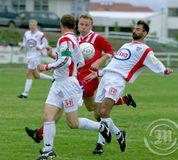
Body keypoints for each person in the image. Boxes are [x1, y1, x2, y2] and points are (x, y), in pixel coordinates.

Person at [24, 13, 136, 152]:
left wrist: (98, 61)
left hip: (88, 79)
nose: (83, 27)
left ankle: (41, 134)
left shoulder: (96, 38)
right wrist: (52, 54)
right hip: (76, 78)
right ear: (77, 25)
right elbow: (71, 60)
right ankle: (123, 102)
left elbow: (111, 52)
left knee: (62, 105)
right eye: (81, 24)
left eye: (86, 25)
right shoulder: (75, 39)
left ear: (91, 26)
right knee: (94, 109)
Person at [35, 14, 112, 160]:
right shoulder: (74, 40)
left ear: (61, 25)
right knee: (48, 116)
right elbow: (80, 61)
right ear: (75, 25)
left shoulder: (65, 39)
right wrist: (56, 61)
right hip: (59, 82)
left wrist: (46, 66)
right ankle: (48, 150)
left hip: (67, 85)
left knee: (73, 123)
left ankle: (101, 127)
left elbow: (66, 60)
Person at [93, 20, 173, 154]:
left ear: (144, 33)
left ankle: (100, 144)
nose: (135, 31)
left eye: (138, 29)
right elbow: (114, 63)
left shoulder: (145, 50)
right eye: (134, 29)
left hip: (118, 80)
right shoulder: (126, 45)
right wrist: (99, 73)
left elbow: (155, 62)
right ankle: (119, 134)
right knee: (97, 114)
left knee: (104, 112)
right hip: (106, 77)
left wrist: (164, 70)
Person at [18, 19, 53, 98]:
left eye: (33, 25)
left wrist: (40, 47)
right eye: (30, 25)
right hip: (29, 55)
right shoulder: (26, 34)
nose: (32, 26)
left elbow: (45, 43)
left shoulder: (40, 34)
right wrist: (22, 46)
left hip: (36, 56)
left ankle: (25, 93)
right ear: (29, 26)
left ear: (36, 25)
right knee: (36, 75)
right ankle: (51, 78)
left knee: (28, 72)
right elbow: (24, 42)